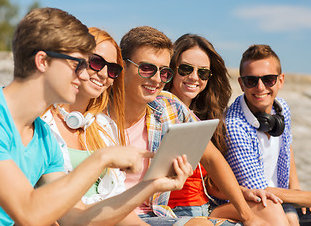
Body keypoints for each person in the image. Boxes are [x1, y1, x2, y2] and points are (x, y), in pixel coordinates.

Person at [0, 8, 190, 226]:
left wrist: (153, 185)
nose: (85, 73)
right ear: (43, 61)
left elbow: (77, 218)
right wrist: (102, 158)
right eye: (78, 63)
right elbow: (28, 213)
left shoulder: (43, 137)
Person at [118, 26, 283, 226]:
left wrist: (246, 212)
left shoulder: (170, 107)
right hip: (148, 214)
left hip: (166, 212)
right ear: (122, 66)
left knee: (265, 214)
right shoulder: (100, 118)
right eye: (146, 68)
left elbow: (213, 160)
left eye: (163, 72)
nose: (155, 78)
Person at [42, 27, 195, 225]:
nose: (104, 74)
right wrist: (103, 158)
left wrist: (155, 185)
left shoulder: (104, 127)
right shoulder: (41, 125)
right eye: (96, 62)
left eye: (113, 69)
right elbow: (70, 216)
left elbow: (117, 208)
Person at [165, 33, 288, 225]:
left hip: (206, 205)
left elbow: (208, 184)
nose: (194, 77)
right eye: (185, 69)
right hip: (177, 212)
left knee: (269, 205)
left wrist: (244, 192)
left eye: (203, 72)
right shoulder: (160, 113)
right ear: (171, 69)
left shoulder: (204, 118)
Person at [225, 44, 311, 226]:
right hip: (255, 206)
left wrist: (296, 189)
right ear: (241, 83)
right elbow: (259, 191)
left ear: (280, 80)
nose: (260, 87)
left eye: (268, 79)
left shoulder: (281, 108)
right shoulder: (234, 126)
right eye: (251, 80)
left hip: (281, 198)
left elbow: (287, 145)